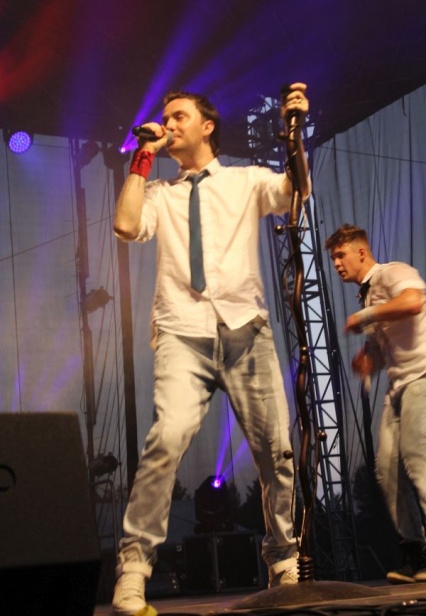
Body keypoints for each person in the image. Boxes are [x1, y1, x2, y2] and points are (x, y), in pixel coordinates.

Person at [112, 83, 311, 615]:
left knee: (277, 450)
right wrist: (143, 155)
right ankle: (133, 570)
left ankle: (283, 557)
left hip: (246, 329)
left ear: (207, 126)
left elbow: (295, 194)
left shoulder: (246, 181)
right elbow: (126, 225)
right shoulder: (161, 193)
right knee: (166, 438)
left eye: (178, 116)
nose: (169, 124)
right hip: (183, 331)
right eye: (165, 118)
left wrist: (294, 133)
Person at [325, 224, 426, 585]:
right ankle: (417, 556)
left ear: (361, 252)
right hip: (398, 387)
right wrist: (366, 362)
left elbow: (413, 302)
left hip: (421, 377)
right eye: (333, 258)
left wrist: (365, 317)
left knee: (418, 460)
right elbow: (382, 352)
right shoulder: (367, 298)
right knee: (386, 470)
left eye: (341, 255)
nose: (337, 264)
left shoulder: (392, 273)